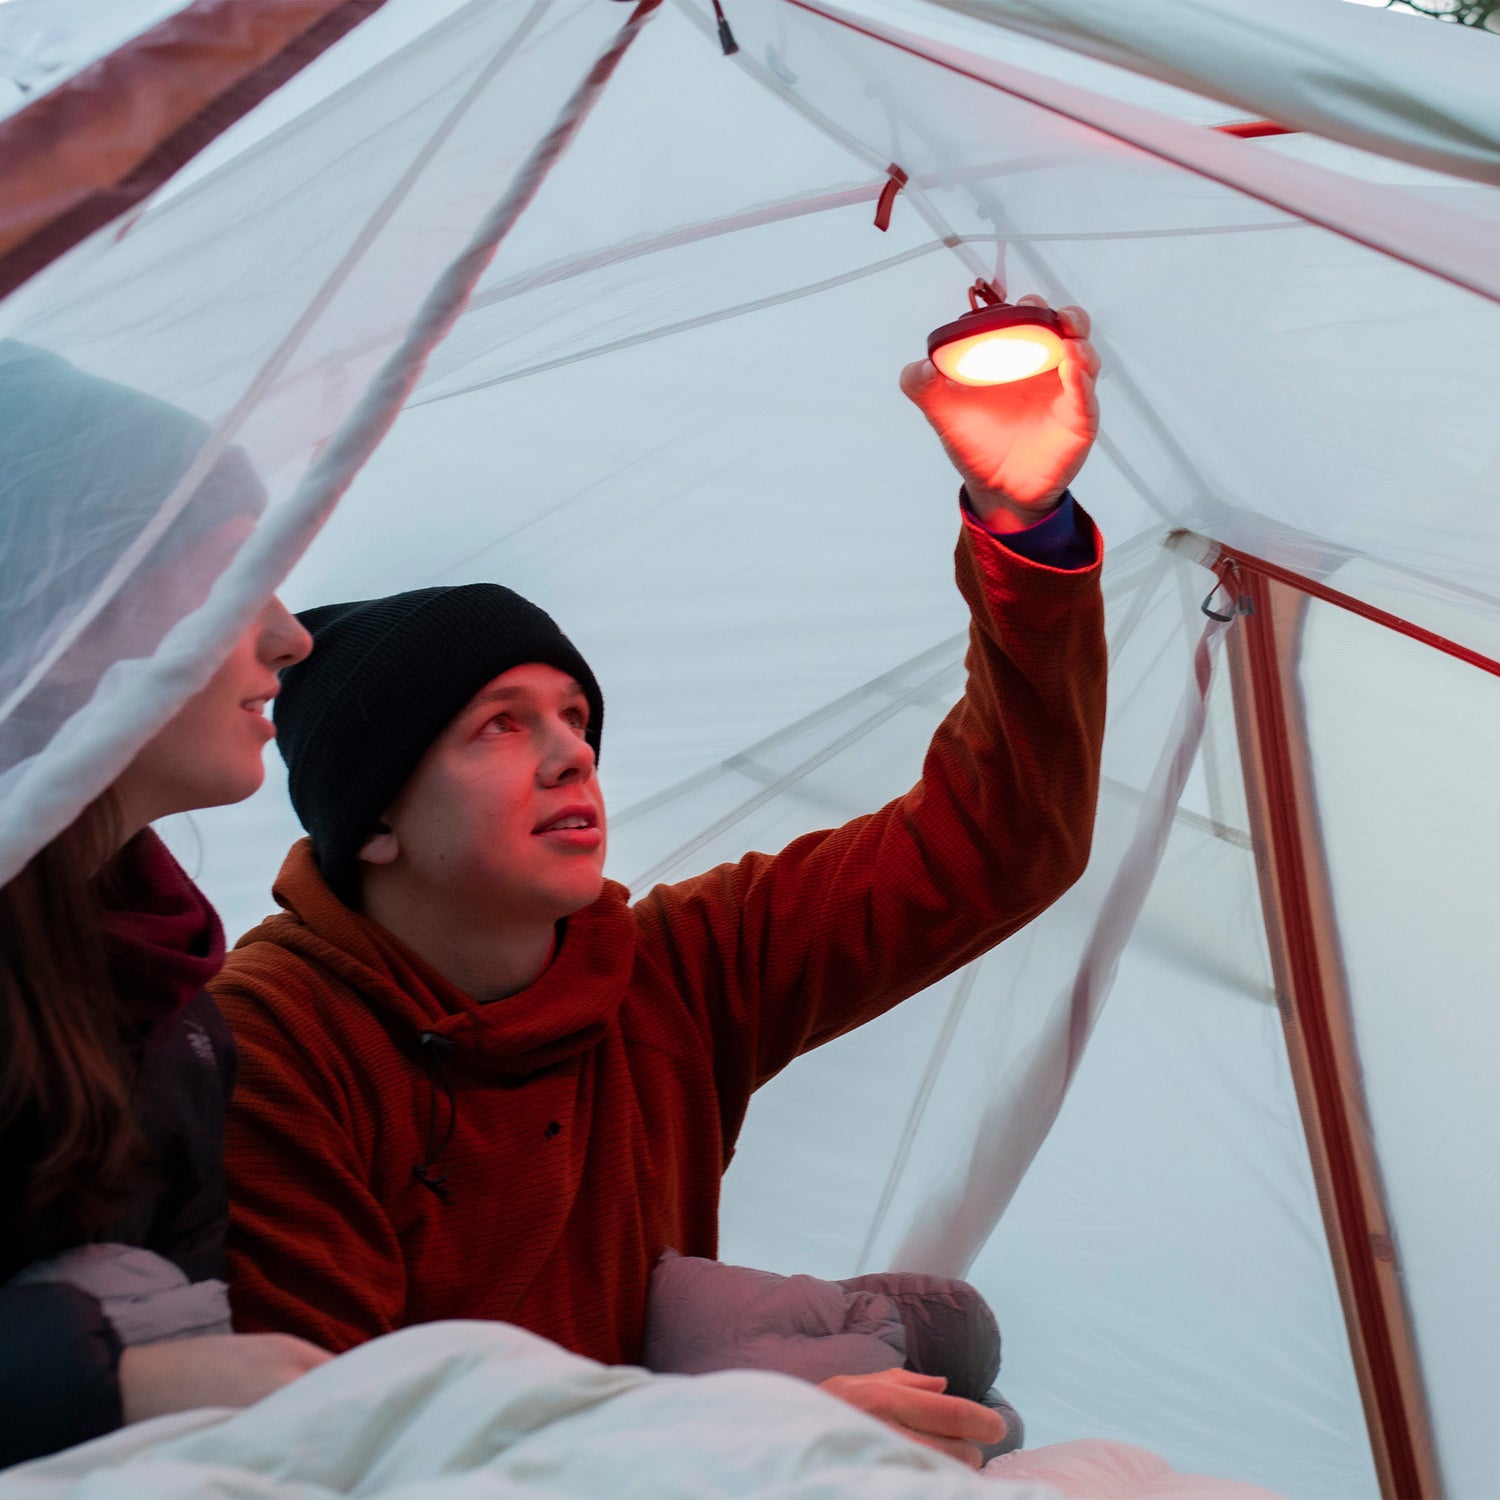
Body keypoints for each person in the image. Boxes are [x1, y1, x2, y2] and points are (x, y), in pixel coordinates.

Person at [212, 301, 1107, 1467]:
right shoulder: (274, 1045)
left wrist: (1023, 526)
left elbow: (997, 843)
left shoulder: (669, 975)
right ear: (373, 818)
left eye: (576, 717)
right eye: (498, 726)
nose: (570, 751)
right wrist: (746, 1436)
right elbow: (332, 1440)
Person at [0, 344, 330, 1468]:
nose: (293, 636)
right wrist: (108, 1370)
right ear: (67, 608)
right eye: (240, 575)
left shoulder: (179, 1013)